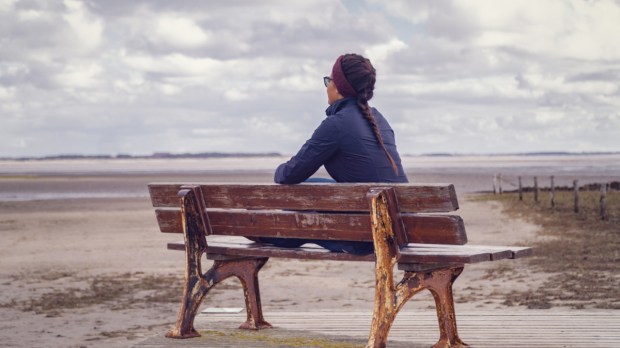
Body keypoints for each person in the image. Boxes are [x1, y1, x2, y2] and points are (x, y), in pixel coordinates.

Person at [256, 53, 408, 254]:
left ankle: (259, 229)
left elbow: (291, 174)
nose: (326, 86)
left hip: (367, 238)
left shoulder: (337, 125)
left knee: (300, 194)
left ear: (338, 88)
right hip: (400, 230)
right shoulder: (380, 120)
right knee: (319, 190)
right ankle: (266, 227)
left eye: (328, 80)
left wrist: (279, 171)